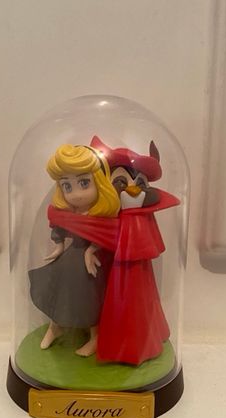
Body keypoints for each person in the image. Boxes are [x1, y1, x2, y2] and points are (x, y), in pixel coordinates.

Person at [91, 136, 180, 365]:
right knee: (114, 302)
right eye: (121, 182)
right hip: (111, 270)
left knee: (140, 302)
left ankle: (141, 344)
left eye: (140, 183)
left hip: (139, 271)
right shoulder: (107, 216)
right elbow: (98, 234)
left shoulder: (143, 218)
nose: (132, 189)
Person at [28, 144, 120, 356]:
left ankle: (95, 337)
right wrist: (59, 245)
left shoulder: (101, 215)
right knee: (57, 291)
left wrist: (92, 250)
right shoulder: (70, 213)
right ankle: (55, 327)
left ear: (99, 181)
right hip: (70, 259)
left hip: (91, 266)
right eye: (67, 186)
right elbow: (60, 229)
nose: (76, 194)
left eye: (84, 183)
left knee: (90, 300)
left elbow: (109, 236)